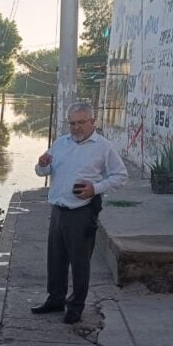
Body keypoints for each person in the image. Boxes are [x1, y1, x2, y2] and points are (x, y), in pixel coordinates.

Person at [31, 102, 128, 324]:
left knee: (79, 262)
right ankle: (55, 298)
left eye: (81, 123)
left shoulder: (103, 147)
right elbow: (41, 171)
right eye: (72, 123)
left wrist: (95, 188)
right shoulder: (60, 143)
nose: (76, 127)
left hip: (82, 213)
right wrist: (41, 164)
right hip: (58, 209)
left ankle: (75, 306)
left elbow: (120, 176)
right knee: (55, 259)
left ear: (93, 122)